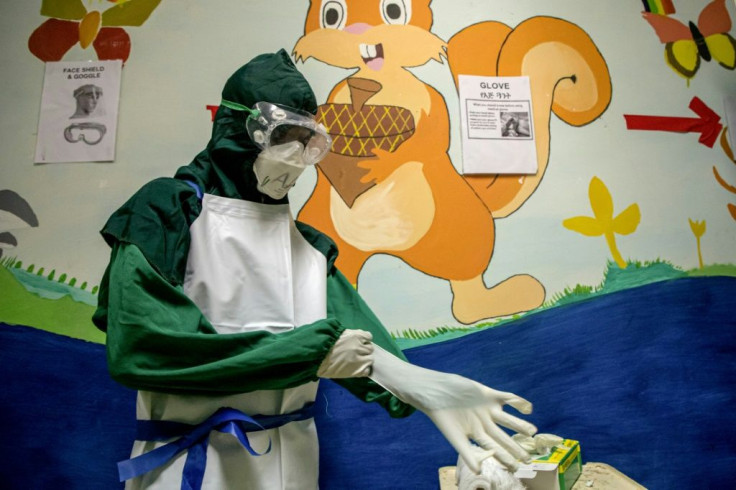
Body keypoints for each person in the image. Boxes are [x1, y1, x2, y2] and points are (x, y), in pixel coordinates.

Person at [93, 49, 535, 490]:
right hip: (190, 468)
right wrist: (312, 354)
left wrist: (429, 387)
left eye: (306, 143)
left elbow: (363, 349)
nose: (294, 158)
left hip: (293, 466)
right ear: (237, 128)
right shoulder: (167, 212)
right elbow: (145, 345)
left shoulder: (306, 248)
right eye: (281, 137)